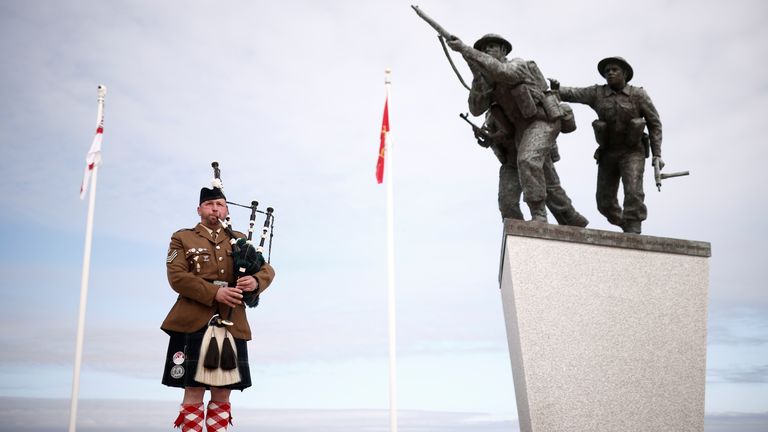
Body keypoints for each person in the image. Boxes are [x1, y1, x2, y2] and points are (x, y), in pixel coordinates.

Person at [161, 186, 275, 432]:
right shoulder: (182, 238)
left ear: (226, 210)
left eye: (220, 204)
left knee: (223, 391)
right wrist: (216, 293)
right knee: (193, 389)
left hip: (232, 320)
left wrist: (255, 282)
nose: (215, 208)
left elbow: (267, 270)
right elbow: (177, 277)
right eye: (210, 204)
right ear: (199, 209)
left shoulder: (240, 240)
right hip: (193, 319)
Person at [447, 33, 570, 223]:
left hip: (540, 123)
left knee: (529, 163)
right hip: (517, 140)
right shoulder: (489, 84)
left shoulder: (518, 64)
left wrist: (465, 50)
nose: (486, 50)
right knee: (509, 201)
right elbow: (476, 108)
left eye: (491, 47)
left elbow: (505, 73)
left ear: (503, 50)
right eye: (482, 48)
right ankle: (527, 238)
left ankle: (539, 215)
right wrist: (477, 75)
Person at [550, 57, 662, 234]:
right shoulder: (597, 93)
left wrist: (657, 154)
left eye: (614, 69)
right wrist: (557, 89)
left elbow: (654, 124)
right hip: (608, 151)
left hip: (632, 151)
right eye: (607, 70)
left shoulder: (638, 95)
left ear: (624, 73)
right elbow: (573, 93)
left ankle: (634, 227)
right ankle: (624, 223)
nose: (609, 73)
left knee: (633, 193)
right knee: (604, 202)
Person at [474, 109, 588, 226]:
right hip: (511, 162)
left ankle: (572, 219)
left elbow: (521, 128)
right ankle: (519, 233)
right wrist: (489, 140)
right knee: (507, 204)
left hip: (535, 154)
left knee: (552, 191)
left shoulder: (512, 100)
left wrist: (495, 137)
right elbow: (498, 144)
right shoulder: (490, 115)